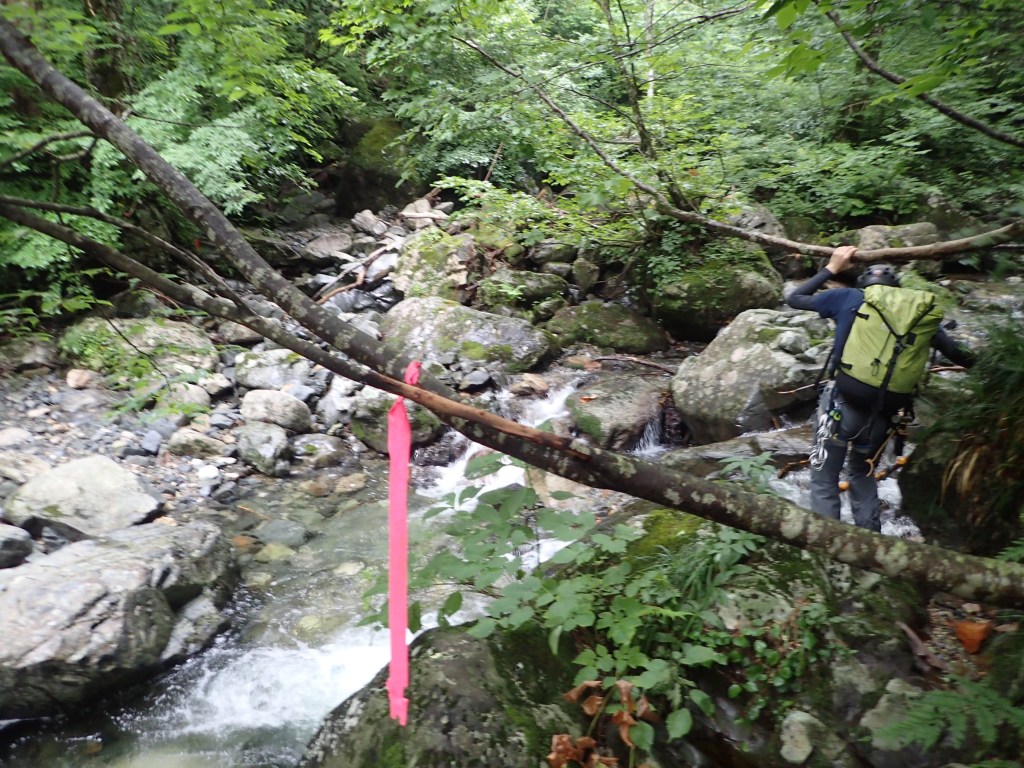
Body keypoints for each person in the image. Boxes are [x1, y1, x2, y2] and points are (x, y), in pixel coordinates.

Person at [786, 245, 973, 532]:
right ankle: (869, 541)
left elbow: (795, 298)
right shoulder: (918, 316)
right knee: (862, 471)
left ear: (865, 286)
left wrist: (832, 268)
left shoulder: (849, 297)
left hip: (841, 404)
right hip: (884, 414)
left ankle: (826, 545)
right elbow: (959, 355)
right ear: (897, 290)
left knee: (824, 476)